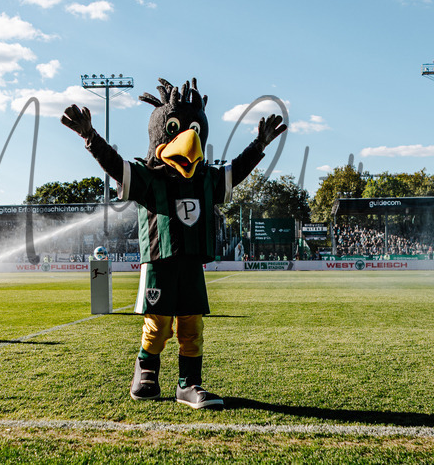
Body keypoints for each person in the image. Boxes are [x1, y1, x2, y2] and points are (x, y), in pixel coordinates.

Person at [62, 78, 285, 409]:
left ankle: (188, 384)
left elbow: (234, 172)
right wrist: (91, 138)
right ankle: (146, 372)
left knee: (192, 324)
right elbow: (115, 165)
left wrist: (258, 146)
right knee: (158, 323)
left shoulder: (206, 178)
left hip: (192, 261)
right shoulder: (147, 177)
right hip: (159, 261)